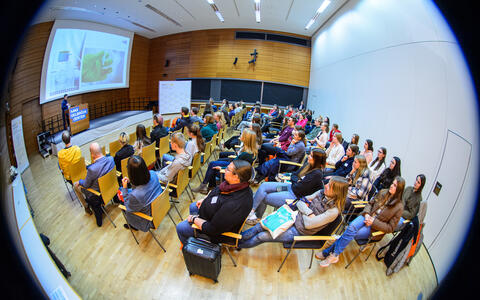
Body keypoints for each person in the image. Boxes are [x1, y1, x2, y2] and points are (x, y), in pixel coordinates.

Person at [317, 176, 405, 267]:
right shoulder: (383, 192)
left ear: (399, 190)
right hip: (366, 216)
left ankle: (329, 252)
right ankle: (334, 255)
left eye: (395, 186)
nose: (391, 186)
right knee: (350, 229)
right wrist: (366, 214)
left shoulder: (399, 207)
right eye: (392, 183)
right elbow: (370, 204)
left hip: (375, 228)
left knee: (351, 232)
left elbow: (390, 228)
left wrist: (373, 222)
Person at [239, 176, 349, 248]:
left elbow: (308, 224)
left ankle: (239, 246)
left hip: (299, 230)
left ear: (336, 192)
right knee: (260, 225)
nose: (325, 185)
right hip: (292, 217)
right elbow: (300, 201)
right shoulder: (321, 192)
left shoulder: (333, 211)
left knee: (261, 236)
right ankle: (236, 240)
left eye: (329, 186)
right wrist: (309, 212)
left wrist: (305, 207)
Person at [176, 160, 254, 246]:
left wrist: (194, 219)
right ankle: (195, 238)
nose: (224, 170)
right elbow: (217, 190)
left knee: (181, 228)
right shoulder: (234, 185)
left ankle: (191, 247)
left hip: (215, 233)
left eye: (227, 169)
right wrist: (205, 199)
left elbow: (212, 229)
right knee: (193, 206)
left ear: (236, 177)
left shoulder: (235, 204)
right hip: (214, 216)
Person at [246, 148, 327, 224]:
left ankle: (256, 218)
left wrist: (296, 181)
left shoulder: (317, 174)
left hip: (294, 196)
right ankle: (252, 212)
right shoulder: (308, 165)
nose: (309, 156)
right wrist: (297, 181)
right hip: (289, 187)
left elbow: (298, 188)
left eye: (311, 156)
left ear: (317, 160)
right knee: (264, 186)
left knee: (264, 196)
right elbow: (294, 175)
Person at [192, 129, 257, 194]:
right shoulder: (251, 151)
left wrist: (222, 168)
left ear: (246, 138)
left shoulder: (245, 154)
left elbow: (234, 166)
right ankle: (209, 187)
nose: (241, 135)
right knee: (214, 164)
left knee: (212, 167)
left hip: (235, 174)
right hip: (237, 170)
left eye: (243, 134)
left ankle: (207, 187)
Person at [73, 143, 115, 226]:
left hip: (96, 195)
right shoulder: (111, 159)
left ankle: (86, 207)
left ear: (92, 154)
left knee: (75, 185)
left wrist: (79, 181)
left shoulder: (92, 169)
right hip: (109, 188)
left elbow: (86, 184)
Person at [121, 155, 163, 231]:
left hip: (147, 219)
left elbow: (129, 207)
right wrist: (132, 181)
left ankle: (133, 226)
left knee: (122, 201)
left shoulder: (135, 195)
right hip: (160, 208)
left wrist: (124, 188)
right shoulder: (153, 173)